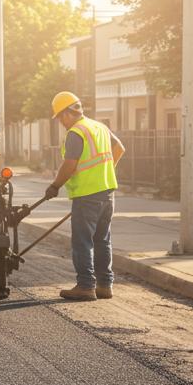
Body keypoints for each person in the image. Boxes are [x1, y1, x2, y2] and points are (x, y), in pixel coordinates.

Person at [44, 91, 126, 301]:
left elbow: (69, 164)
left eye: (60, 117)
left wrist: (55, 185)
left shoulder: (76, 132)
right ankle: (105, 285)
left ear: (66, 113)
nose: (61, 122)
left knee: (82, 241)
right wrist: (105, 171)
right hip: (107, 192)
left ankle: (86, 286)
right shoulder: (99, 126)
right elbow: (119, 148)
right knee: (102, 240)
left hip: (87, 195)